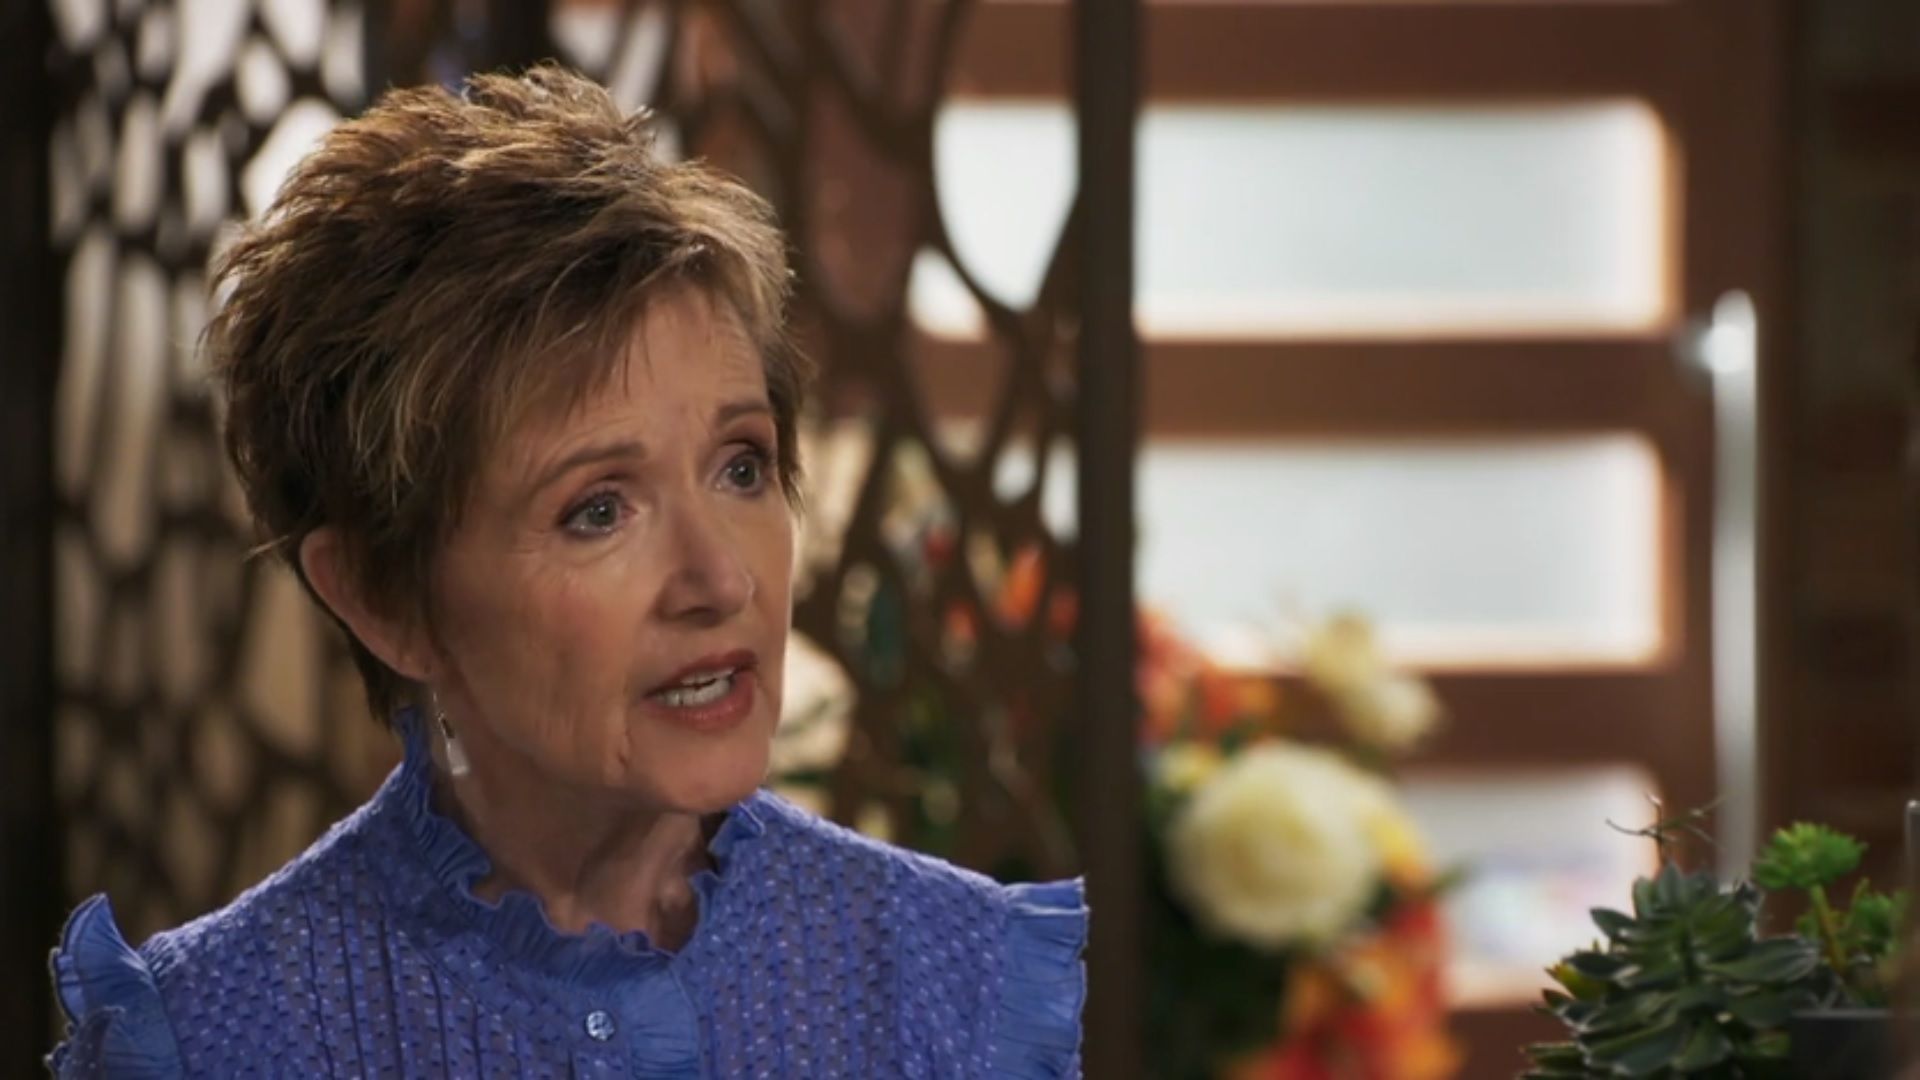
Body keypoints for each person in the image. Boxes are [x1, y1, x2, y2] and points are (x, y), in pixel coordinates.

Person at [47, 64, 1086, 1078]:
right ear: (382, 597)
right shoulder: (216, 1037)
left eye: (741, 466)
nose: (721, 581)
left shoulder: (959, 986)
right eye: (598, 510)